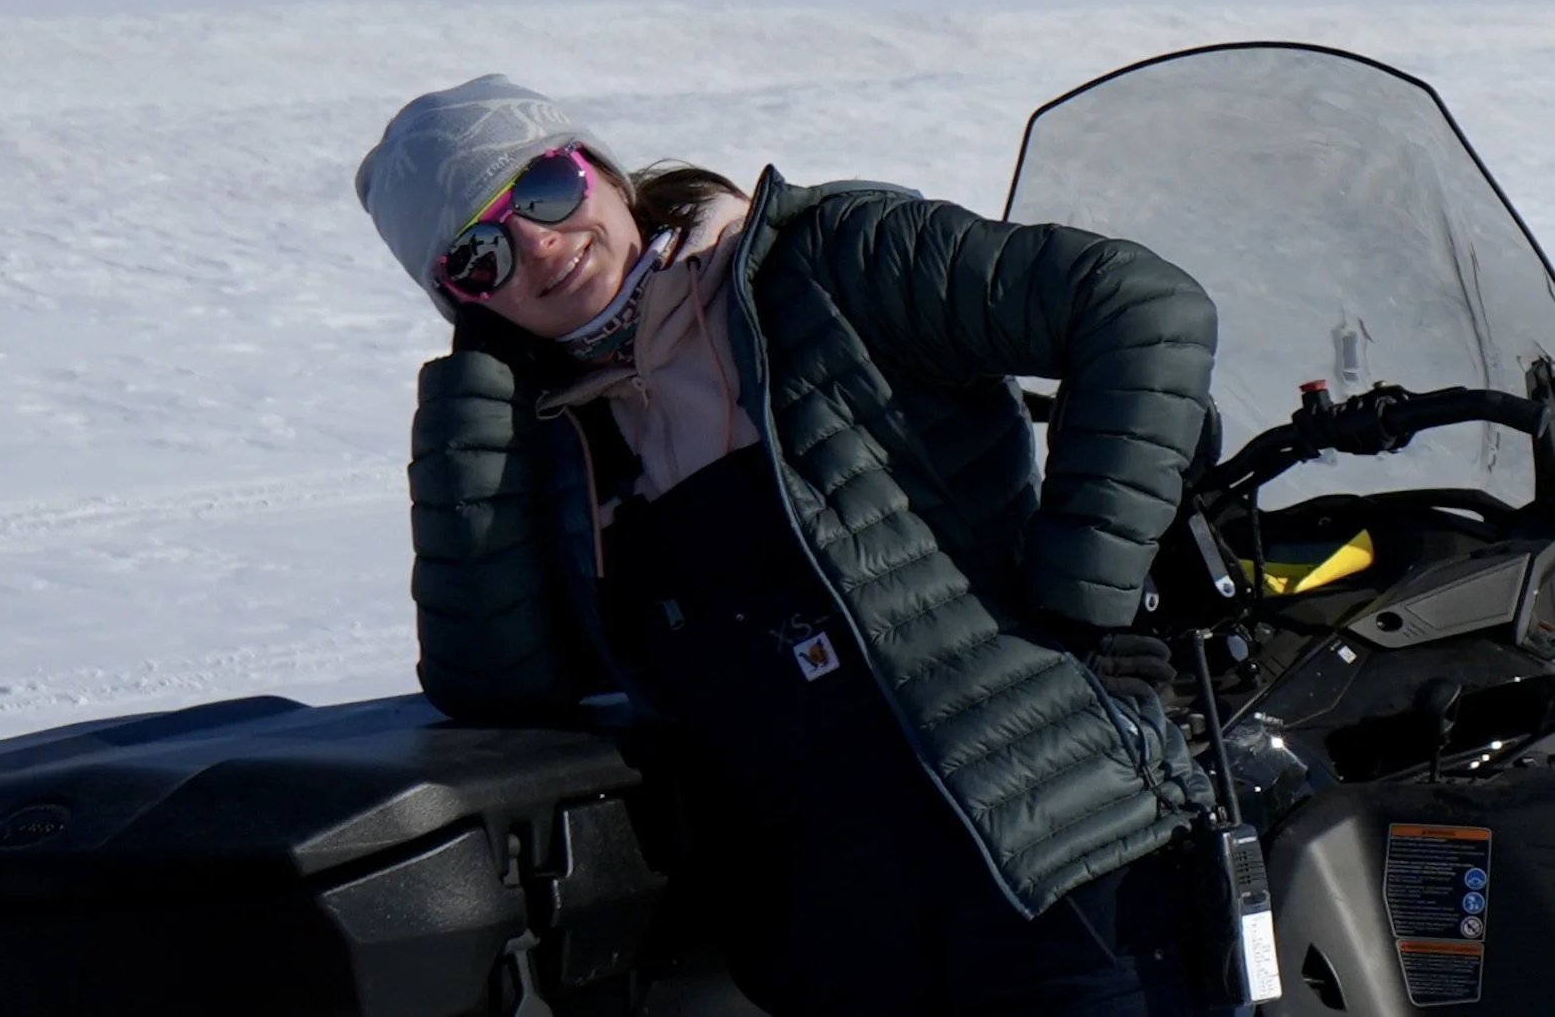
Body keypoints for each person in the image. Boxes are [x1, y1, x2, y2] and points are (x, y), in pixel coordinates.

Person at [356, 74, 1220, 1017]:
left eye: (545, 190)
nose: (539, 245)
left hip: (1059, 876)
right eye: (479, 258)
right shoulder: (551, 440)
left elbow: (1140, 306)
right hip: (837, 945)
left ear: (599, 168)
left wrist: (1081, 591)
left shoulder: (824, 263)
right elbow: (499, 682)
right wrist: (469, 412)